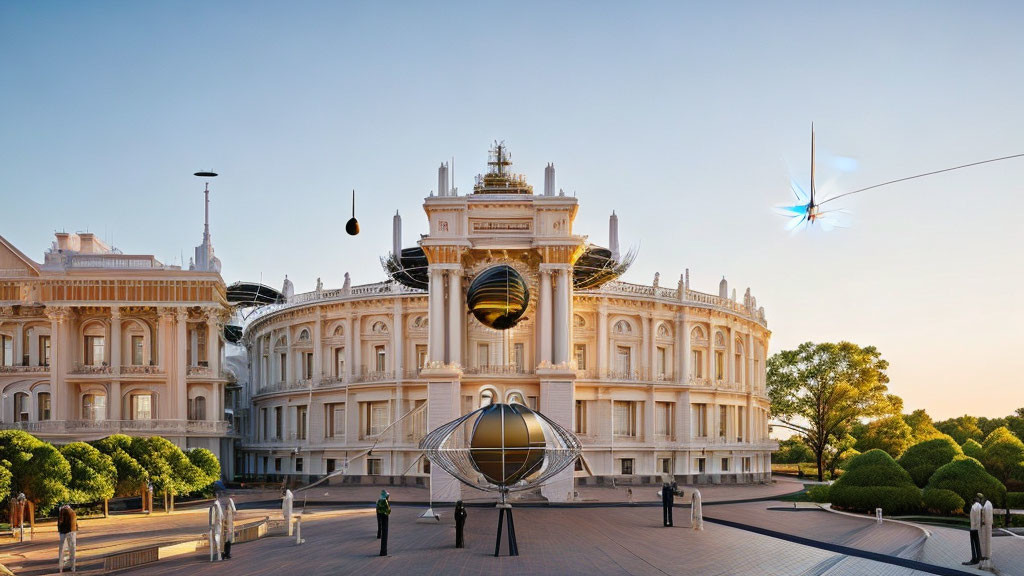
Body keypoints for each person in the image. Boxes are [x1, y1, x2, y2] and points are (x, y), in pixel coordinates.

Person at [57, 503, 77, 573]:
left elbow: (60, 522)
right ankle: (73, 567)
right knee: (72, 550)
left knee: (62, 550)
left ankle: (61, 567)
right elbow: (76, 524)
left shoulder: (62, 511)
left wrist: (60, 531)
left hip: (63, 533)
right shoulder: (72, 512)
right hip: (72, 532)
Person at [964, 494, 982, 565]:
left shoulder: (974, 507)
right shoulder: (980, 506)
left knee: (973, 544)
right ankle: (978, 558)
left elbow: (975, 518)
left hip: (974, 528)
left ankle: (974, 559)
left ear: (973, 501)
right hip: (979, 528)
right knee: (978, 544)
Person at [980, 494, 994, 568]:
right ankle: (986, 555)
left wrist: (984, 522)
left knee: (987, 541)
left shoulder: (987, 505)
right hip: (986, 526)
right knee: (986, 541)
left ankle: (987, 556)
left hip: (987, 526)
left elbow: (987, 518)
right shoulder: (987, 504)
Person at [376, 490, 391, 556]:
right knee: (384, 531)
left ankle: (383, 551)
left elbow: (377, 508)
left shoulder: (379, 501)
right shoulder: (385, 501)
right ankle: (383, 551)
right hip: (385, 517)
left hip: (380, 515)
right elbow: (388, 510)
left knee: (380, 525)